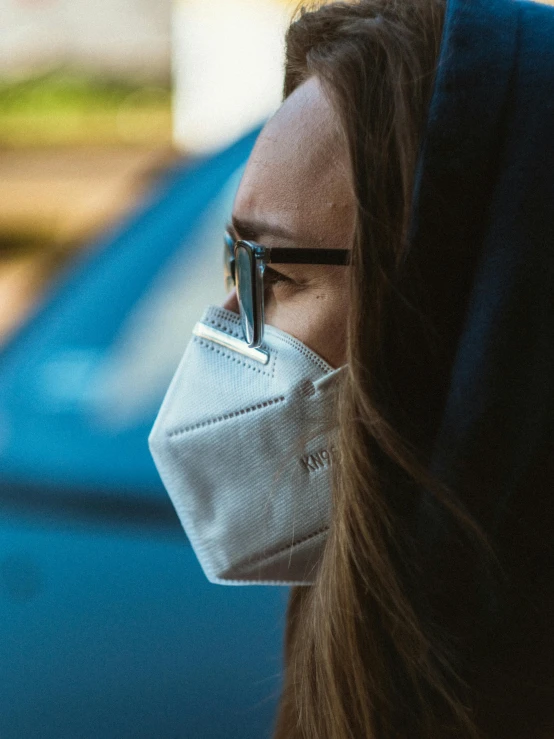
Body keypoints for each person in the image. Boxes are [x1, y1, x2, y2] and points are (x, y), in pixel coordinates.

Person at [149, 0, 554, 736]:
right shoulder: (378, 643)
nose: (225, 320)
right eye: (232, 259)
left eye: (272, 270)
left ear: (466, 312)